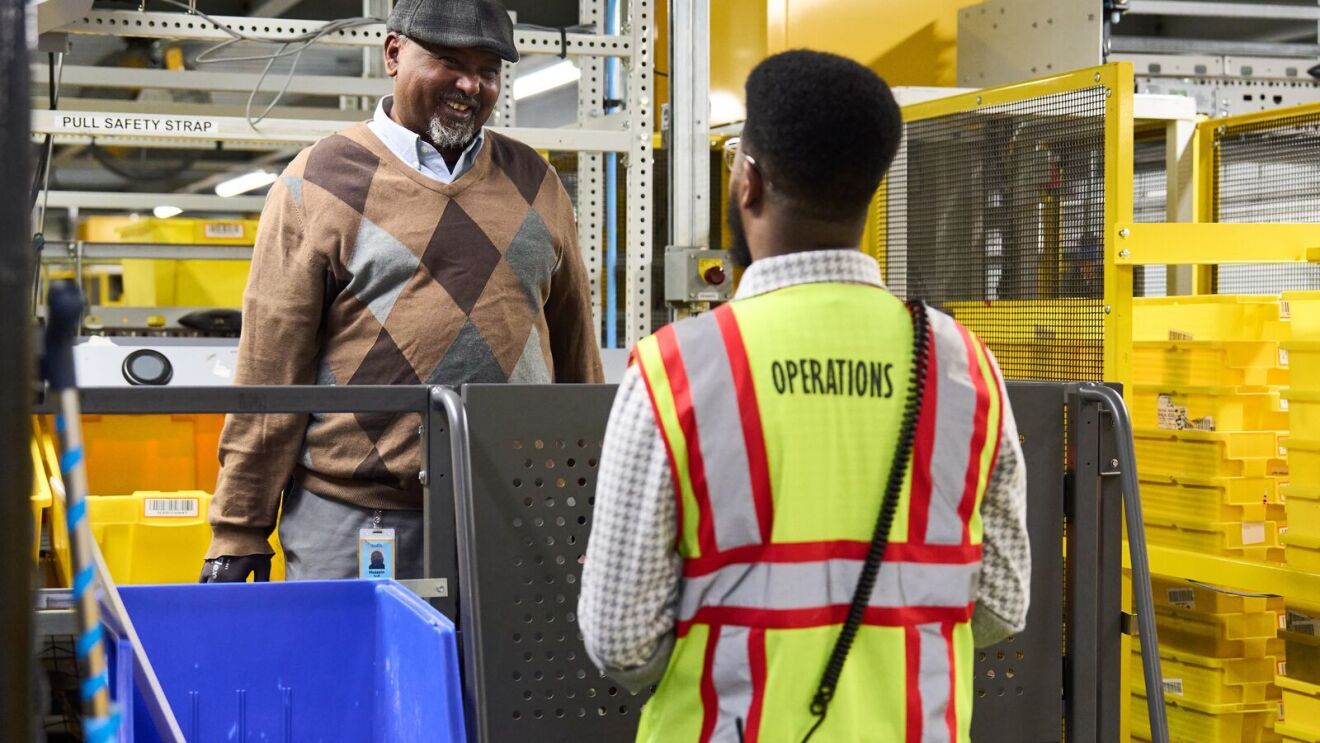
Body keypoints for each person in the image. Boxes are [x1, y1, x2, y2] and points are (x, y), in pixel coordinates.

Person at [578, 50, 1030, 742]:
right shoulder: (965, 367)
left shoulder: (678, 370)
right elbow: (1002, 601)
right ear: (869, 190)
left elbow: (622, 641)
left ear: (748, 181)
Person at [201, 0, 602, 583]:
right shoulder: (317, 180)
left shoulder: (535, 182)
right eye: (447, 61)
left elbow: (576, 354)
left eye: (488, 69)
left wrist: (592, 503)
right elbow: (270, 369)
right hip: (356, 519)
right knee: (353, 674)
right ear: (394, 53)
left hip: (514, 512)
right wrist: (238, 528)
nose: (470, 84)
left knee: (501, 676)